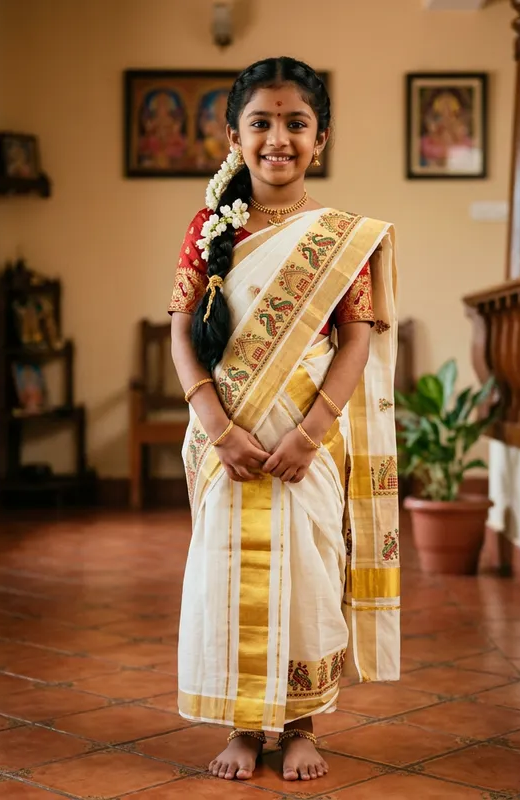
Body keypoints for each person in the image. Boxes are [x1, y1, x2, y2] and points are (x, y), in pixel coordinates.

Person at [168, 56, 400, 783]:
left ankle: (299, 723)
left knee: (306, 575)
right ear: (234, 138)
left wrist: (310, 434)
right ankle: (243, 726)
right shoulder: (210, 228)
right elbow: (179, 329)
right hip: (225, 437)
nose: (278, 138)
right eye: (260, 123)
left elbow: (356, 338)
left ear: (320, 137)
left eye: (296, 123)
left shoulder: (339, 237)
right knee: (225, 573)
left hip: (306, 438)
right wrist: (216, 424)